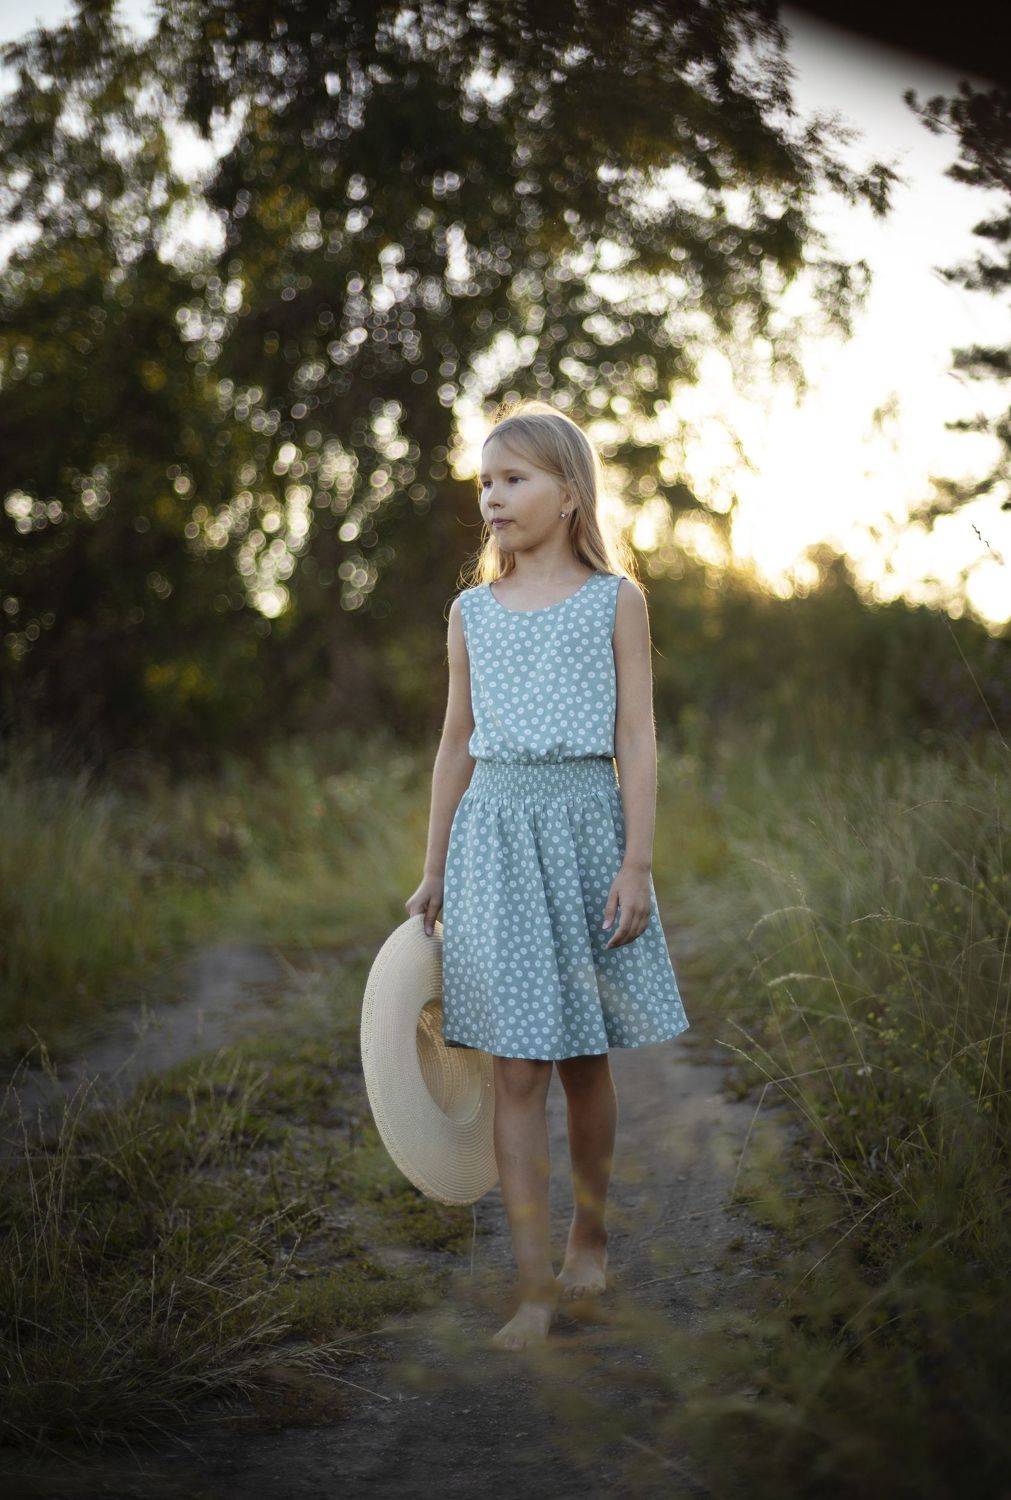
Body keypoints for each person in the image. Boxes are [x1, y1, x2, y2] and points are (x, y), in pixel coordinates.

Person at [405, 398, 690, 1351]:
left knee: (579, 1059)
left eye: (513, 479)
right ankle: (531, 1291)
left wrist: (636, 862)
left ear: (568, 494)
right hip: (494, 841)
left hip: (585, 835)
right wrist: (434, 869)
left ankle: (587, 1243)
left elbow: (636, 737)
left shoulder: (616, 600)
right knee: (515, 1068)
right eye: (484, 481)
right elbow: (454, 744)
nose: (491, 496)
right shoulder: (469, 613)